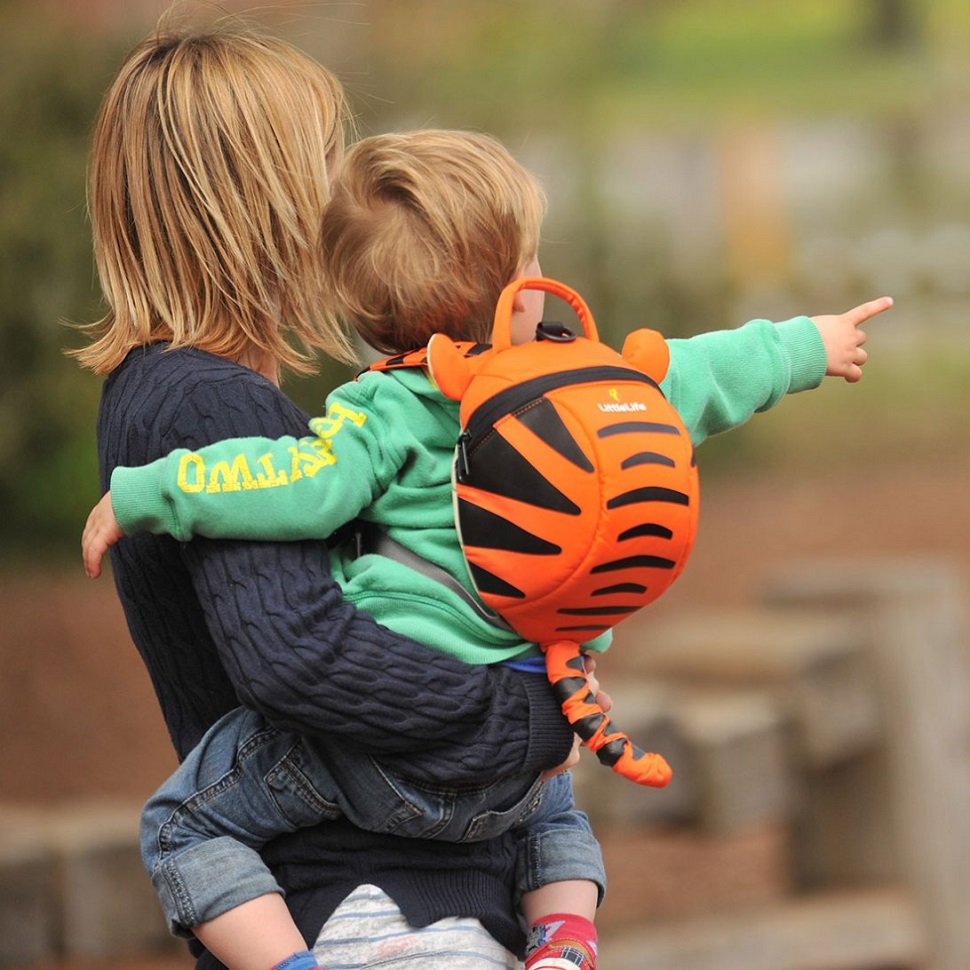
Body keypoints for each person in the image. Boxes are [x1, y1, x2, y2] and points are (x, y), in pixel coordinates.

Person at [81, 128, 892, 970]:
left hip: (375, 760)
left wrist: (149, 493)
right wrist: (806, 346)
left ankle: (288, 961)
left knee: (185, 823)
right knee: (559, 806)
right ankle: (563, 937)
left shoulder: (380, 412)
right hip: (522, 755)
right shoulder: (590, 386)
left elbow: (288, 482)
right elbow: (699, 373)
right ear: (522, 295)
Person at [71, 16, 593, 970]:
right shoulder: (210, 409)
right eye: (324, 159)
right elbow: (297, 654)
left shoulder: (175, 393)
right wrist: (521, 715)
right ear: (258, 197)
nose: (345, 191)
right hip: (368, 912)